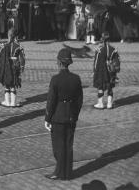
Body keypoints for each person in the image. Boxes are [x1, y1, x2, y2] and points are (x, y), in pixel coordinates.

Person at [44, 48, 83, 181]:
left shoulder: (55, 79)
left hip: (58, 116)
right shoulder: (76, 79)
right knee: (68, 145)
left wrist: (47, 118)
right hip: (71, 115)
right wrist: (75, 114)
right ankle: (67, 173)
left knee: (58, 146)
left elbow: (51, 101)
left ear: (59, 62)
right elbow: (79, 100)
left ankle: (59, 172)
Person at [0, 29, 25, 107]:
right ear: (16, 36)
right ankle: (13, 102)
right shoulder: (19, 46)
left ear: (8, 35)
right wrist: (22, 67)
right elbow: (22, 58)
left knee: (7, 83)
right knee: (14, 83)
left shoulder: (4, 45)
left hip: (6, 65)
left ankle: (7, 102)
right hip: (15, 65)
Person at [93, 31, 120, 109]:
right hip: (111, 71)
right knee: (110, 86)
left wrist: (95, 71)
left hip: (101, 71)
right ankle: (109, 104)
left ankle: (100, 103)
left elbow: (96, 62)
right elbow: (117, 61)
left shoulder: (99, 50)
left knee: (100, 87)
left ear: (102, 39)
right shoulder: (113, 49)